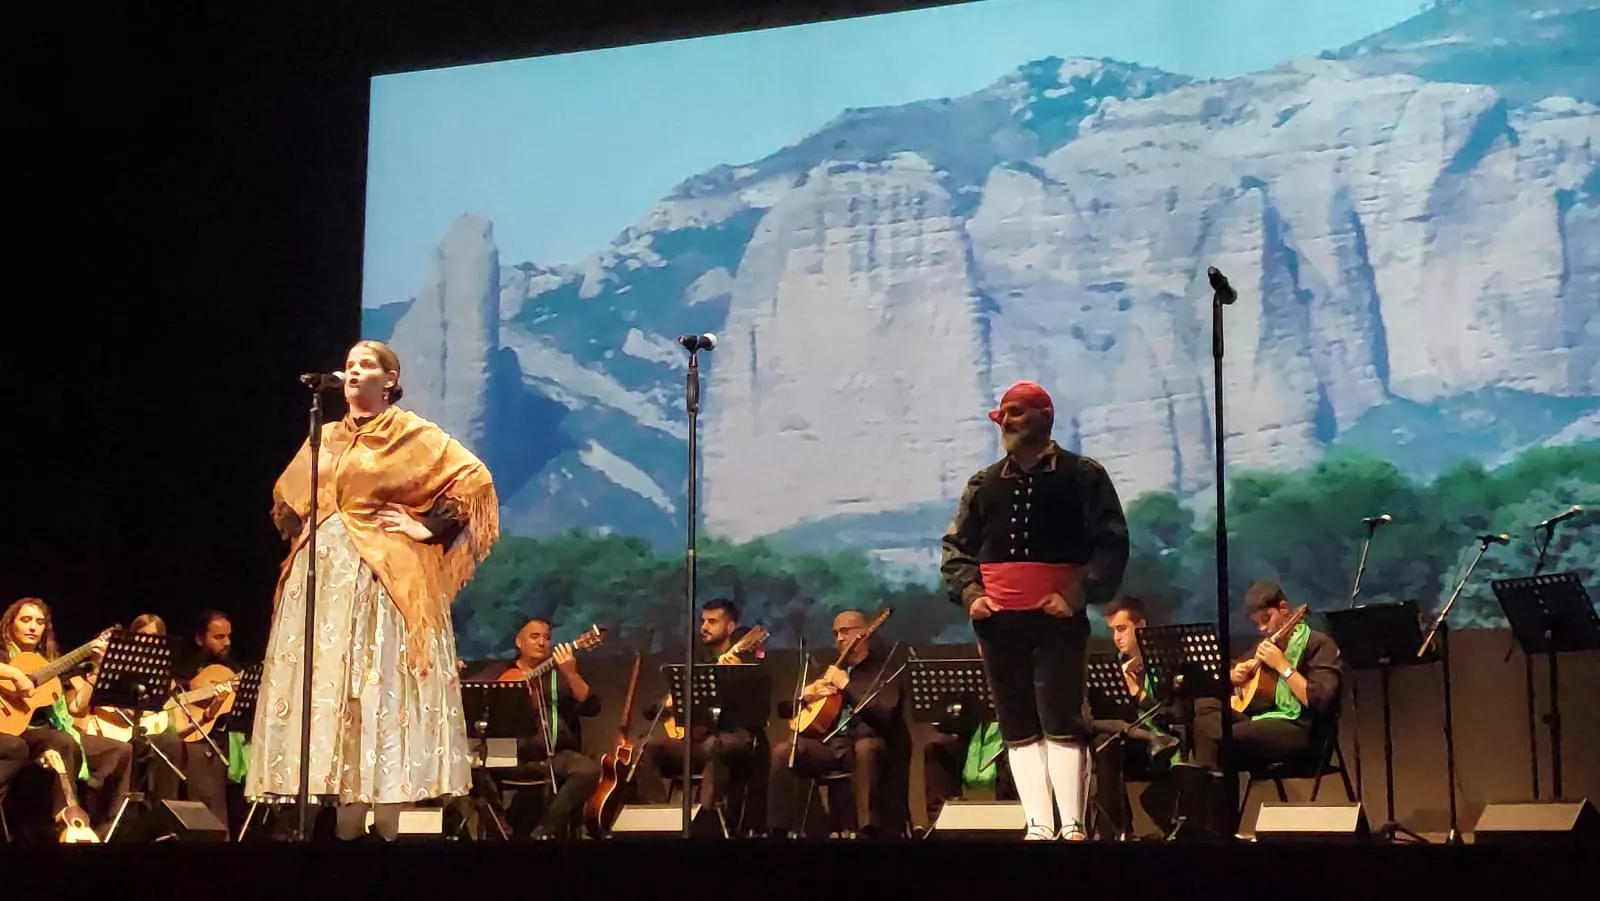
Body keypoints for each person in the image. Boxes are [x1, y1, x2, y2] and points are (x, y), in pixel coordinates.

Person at [246, 340, 499, 842]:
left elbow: (475, 480)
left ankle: (387, 818)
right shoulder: (327, 436)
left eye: (366, 365)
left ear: (390, 379)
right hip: (322, 579)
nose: (354, 371)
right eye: (350, 364)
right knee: (329, 688)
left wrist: (426, 525)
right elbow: (288, 498)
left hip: (379, 575)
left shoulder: (410, 433)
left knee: (376, 682)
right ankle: (337, 806)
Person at [940, 381, 1129, 840]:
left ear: (1044, 417)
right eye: (1003, 414)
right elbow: (955, 549)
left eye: (1017, 413)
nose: (1007, 421)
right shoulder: (983, 484)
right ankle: (1039, 824)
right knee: (1017, 721)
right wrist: (971, 595)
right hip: (999, 622)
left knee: (1060, 717)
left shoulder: (1083, 475)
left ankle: (1072, 824)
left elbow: (1111, 542)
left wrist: (1075, 594)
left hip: (1057, 620)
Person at [766, 610, 908, 839]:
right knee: (785, 751)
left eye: (845, 631)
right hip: (833, 747)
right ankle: (778, 830)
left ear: (863, 634)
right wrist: (805, 696)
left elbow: (884, 713)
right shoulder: (835, 671)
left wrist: (846, 685)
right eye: (835, 633)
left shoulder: (883, 668)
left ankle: (867, 830)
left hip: (869, 744)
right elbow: (785, 711)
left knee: (866, 748)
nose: (839, 638)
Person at [0, 597, 133, 837]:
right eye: (26, 620)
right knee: (62, 741)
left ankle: (109, 829)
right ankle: (67, 820)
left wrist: (96, 670)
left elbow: (75, 709)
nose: (33, 627)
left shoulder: (53, 663)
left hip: (51, 727)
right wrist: (15, 676)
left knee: (121, 750)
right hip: (18, 729)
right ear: (11, 624)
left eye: (39, 622)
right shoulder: (3, 654)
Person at [637, 598, 766, 825]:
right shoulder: (697, 661)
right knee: (643, 748)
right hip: (697, 741)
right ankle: (661, 820)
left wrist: (735, 677)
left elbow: (757, 713)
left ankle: (704, 823)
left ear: (730, 627)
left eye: (712, 621)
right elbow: (650, 711)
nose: (704, 627)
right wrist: (669, 703)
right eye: (703, 621)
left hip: (735, 740)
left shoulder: (747, 662)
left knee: (716, 745)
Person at [1192, 581, 1343, 775]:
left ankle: (1201, 788)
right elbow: (1236, 670)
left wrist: (1282, 665)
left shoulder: (1319, 644)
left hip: (1303, 730)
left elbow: (1320, 702)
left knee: (1217, 739)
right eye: (1257, 624)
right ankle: (1206, 780)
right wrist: (1234, 675)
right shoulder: (1265, 646)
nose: (1263, 628)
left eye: (1267, 619)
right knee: (1206, 704)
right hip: (1264, 722)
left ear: (1283, 608)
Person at [482, 618, 601, 839]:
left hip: (556, 755)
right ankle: (500, 830)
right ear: (519, 642)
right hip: (512, 756)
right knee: (474, 771)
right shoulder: (500, 671)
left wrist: (571, 673)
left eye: (547, 638)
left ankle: (545, 831)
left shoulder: (560, 673)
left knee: (588, 770)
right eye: (534, 637)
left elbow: (592, 706)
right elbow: (473, 693)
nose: (542, 643)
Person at [1087, 595, 1180, 839]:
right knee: (1102, 744)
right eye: (1113, 631)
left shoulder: (1163, 662)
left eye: (1122, 629)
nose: (1116, 638)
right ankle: (1117, 832)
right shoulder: (1113, 666)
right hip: (1127, 741)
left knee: (1107, 745)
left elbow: (1172, 713)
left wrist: (1137, 693)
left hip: (1163, 743)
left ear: (1140, 626)